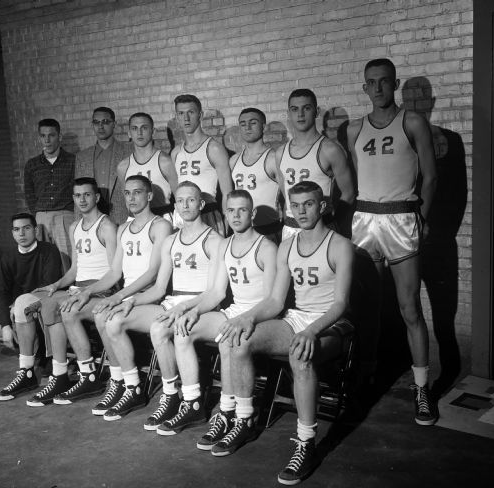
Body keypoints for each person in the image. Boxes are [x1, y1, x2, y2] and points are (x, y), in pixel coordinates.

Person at [219, 181, 354, 485]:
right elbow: (276, 302)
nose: (302, 211)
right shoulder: (287, 245)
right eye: (296, 205)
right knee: (240, 341)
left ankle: (305, 443)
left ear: (322, 206)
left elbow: (341, 304)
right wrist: (247, 318)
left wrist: (312, 331)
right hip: (297, 319)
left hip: (332, 324)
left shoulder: (340, 244)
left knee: (299, 353)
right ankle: (245, 418)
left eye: (309, 204)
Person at [346, 58, 438, 425]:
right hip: (365, 218)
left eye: (385, 81)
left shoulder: (413, 122)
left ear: (395, 84)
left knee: (409, 307)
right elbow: (349, 182)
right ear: (365, 87)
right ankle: (364, 377)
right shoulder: (353, 129)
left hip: (401, 217)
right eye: (372, 83)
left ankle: (421, 389)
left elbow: (430, 178)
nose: (379, 88)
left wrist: (424, 218)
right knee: (364, 307)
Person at [94, 181, 222, 428]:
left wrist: (184, 308)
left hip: (200, 306)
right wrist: (127, 301)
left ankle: (172, 394)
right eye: (180, 200)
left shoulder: (214, 239)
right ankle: (132, 388)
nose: (185, 205)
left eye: (191, 200)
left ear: (202, 204)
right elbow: (159, 289)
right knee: (114, 321)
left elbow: (214, 293)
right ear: (175, 205)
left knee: (158, 329)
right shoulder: (171, 241)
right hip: (171, 302)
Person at [159, 189, 276, 445]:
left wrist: (247, 318)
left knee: (227, 339)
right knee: (183, 329)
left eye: (242, 210)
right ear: (225, 213)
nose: (236, 215)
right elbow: (215, 292)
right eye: (231, 210)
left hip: (258, 315)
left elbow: (271, 301)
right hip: (233, 311)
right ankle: (192, 404)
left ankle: (229, 412)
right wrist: (191, 310)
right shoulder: (224, 244)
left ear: (252, 213)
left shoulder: (266, 247)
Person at [58, 175, 172, 413]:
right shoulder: (122, 229)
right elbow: (114, 273)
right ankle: (119, 382)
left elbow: (152, 273)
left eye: (137, 192)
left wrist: (118, 297)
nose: (131, 197)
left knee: (106, 316)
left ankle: (132, 387)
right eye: (127, 193)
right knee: (87, 310)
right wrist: (86, 292)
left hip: (152, 297)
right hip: (129, 296)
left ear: (149, 196)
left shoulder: (160, 226)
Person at [22, 177, 118, 407]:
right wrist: (56, 285)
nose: (82, 200)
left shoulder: (106, 226)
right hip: (77, 288)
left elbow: (115, 272)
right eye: (77, 195)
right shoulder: (74, 227)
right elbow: (75, 270)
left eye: (87, 195)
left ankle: (88, 374)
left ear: (96, 197)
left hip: (102, 289)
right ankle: (59, 374)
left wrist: (86, 291)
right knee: (43, 304)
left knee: (66, 310)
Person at [0, 213, 62, 401]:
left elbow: (47, 287)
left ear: (36, 230)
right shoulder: (8, 257)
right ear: (12, 233)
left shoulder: (49, 251)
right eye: (16, 229)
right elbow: (2, 293)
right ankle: (36, 353)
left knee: (24, 309)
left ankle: (30, 367)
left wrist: (19, 303)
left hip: (43, 306)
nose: (21, 233)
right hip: (18, 312)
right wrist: (6, 326)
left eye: (26, 228)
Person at [276, 89, 355, 239]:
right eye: (294, 109)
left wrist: (333, 223)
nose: (300, 114)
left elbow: (348, 193)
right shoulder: (280, 152)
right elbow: (286, 195)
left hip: (321, 227)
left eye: (306, 108)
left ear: (316, 111)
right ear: (288, 113)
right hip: (291, 229)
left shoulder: (330, 149)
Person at [171, 94, 233, 235]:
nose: (186, 118)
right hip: (182, 218)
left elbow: (227, 194)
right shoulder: (175, 153)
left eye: (190, 112)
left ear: (200, 115)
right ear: (176, 117)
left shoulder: (214, 148)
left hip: (207, 215)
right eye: (181, 113)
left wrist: (227, 226)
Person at [24, 118, 76, 271]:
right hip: (42, 218)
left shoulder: (72, 161)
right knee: (44, 263)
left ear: (59, 137)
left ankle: (71, 292)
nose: (47, 140)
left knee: (67, 260)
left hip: (65, 216)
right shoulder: (32, 164)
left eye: (51, 135)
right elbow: (29, 193)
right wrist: (37, 214)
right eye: (43, 136)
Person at [230, 108, 282, 241]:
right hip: (242, 231)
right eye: (242, 124)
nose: (247, 127)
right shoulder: (234, 160)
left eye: (253, 123)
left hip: (268, 230)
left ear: (263, 127)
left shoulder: (273, 158)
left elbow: (287, 195)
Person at [117, 112, 178, 220]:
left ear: (153, 131)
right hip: (135, 220)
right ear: (129, 133)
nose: (139, 133)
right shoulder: (123, 167)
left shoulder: (165, 162)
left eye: (144, 128)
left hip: (162, 217)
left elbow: (179, 197)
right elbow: (127, 201)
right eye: (134, 128)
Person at [75, 107, 130, 225]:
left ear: (114, 124)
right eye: (96, 122)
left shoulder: (128, 151)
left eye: (105, 122)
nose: (100, 126)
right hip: (92, 220)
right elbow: (79, 191)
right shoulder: (82, 156)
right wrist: (79, 222)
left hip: (122, 218)